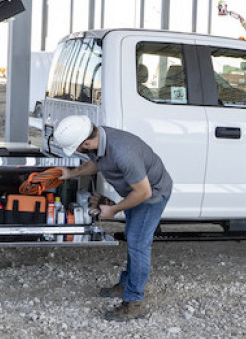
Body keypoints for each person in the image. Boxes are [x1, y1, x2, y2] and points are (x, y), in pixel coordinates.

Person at [53, 115, 173, 321]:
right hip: (136, 192)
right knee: (132, 238)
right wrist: (71, 173)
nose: (79, 152)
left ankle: (134, 302)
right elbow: (97, 164)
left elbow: (143, 193)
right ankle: (126, 285)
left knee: (138, 243)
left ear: (87, 142)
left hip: (152, 194)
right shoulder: (100, 139)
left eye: (78, 148)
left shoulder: (123, 152)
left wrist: (114, 210)